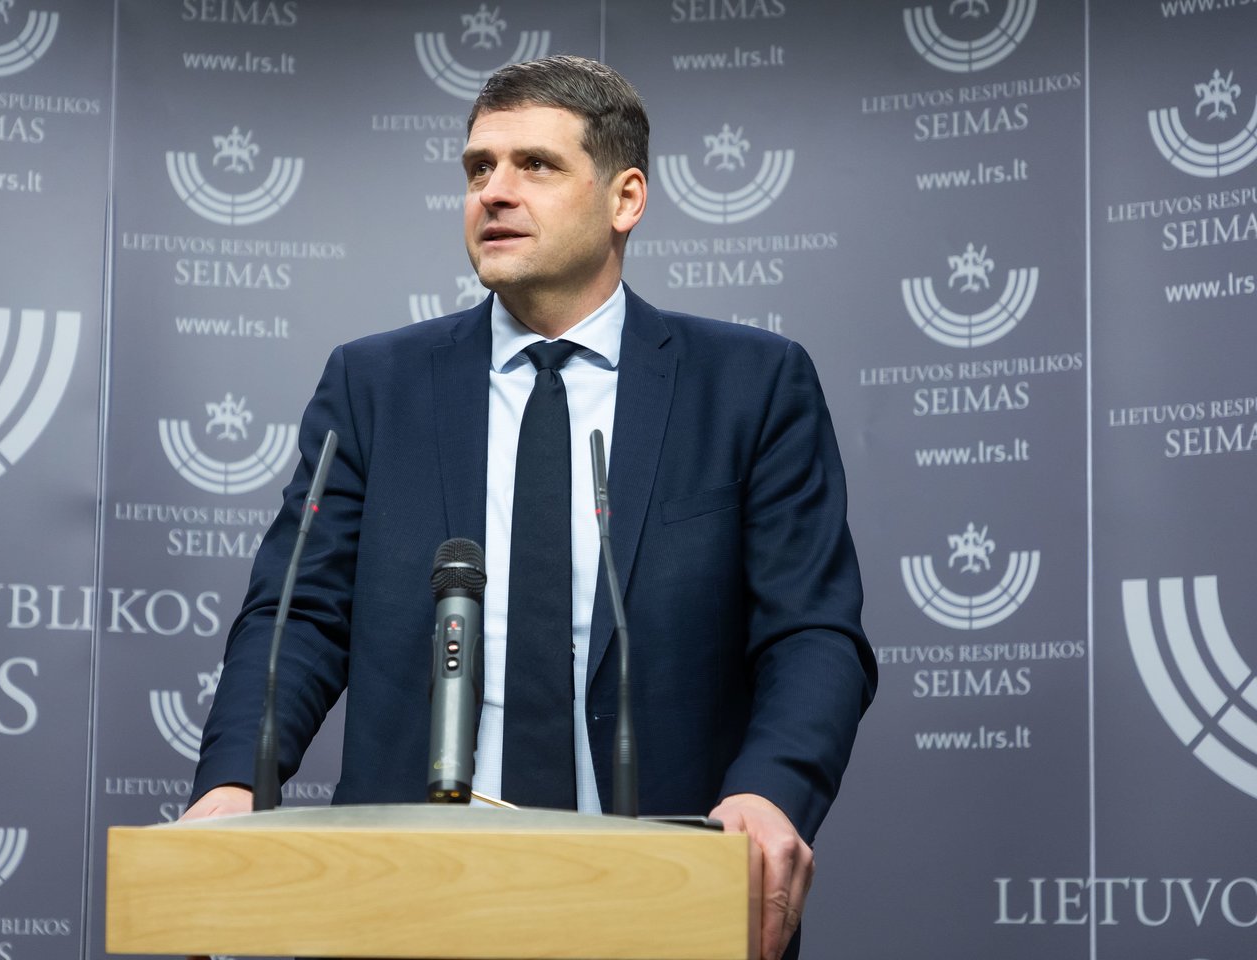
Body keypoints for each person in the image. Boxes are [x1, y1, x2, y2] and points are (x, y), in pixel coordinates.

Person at [185, 55, 876, 960]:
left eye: (535, 165)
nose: (494, 192)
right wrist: (237, 782)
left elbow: (812, 633)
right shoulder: (374, 386)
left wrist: (771, 792)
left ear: (626, 198)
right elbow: (297, 616)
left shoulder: (750, 386)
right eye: (479, 168)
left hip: (664, 896)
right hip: (410, 902)